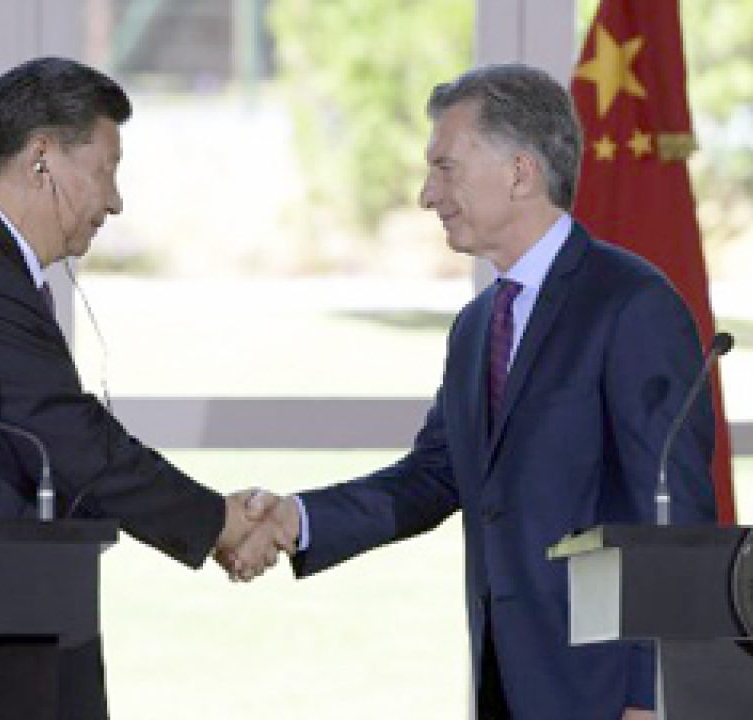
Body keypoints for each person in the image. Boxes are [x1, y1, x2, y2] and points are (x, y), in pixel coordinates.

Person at [228, 64, 718, 719]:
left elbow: (675, 516)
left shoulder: (631, 305)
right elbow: (435, 476)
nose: (427, 195)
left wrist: (652, 692)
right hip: (504, 682)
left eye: (445, 168)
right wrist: (296, 519)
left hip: (603, 694)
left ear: (520, 173)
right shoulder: (478, 324)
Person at [0, 57, 274, 719]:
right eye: (106, 169)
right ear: (41, 156)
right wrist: (217, 522)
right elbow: (69, 437)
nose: (114, 201)